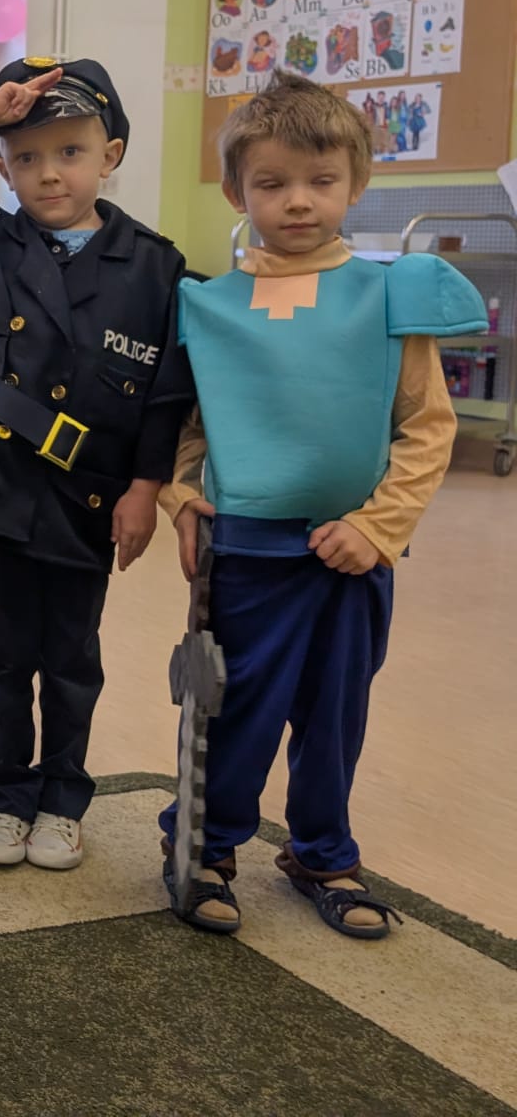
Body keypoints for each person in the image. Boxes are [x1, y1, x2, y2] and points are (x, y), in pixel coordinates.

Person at [158, 73, 484, 939]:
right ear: (238, 193)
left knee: (336, 714)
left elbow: (427, 428)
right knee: (236, 706)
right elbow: (191, 427)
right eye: (272, 183)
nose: (298, 201)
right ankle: (205, 847)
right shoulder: (208, 306)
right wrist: (184, 501)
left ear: (356, 183)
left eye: (320, 180)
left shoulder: (389, 296)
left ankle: (322, 851)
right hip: (246, 553)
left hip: (352, 556)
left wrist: (377, 527)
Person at [0, 58, 190, 873]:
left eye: (70, 152)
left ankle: (63, 802)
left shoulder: (154, 266)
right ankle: (8, 797)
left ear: (110, 155)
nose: (49, 173)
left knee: (71, 660)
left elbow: (164, 395)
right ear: (3, 166)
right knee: (1, 659)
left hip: (88, 497)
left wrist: (145, 490)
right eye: (26, 157)